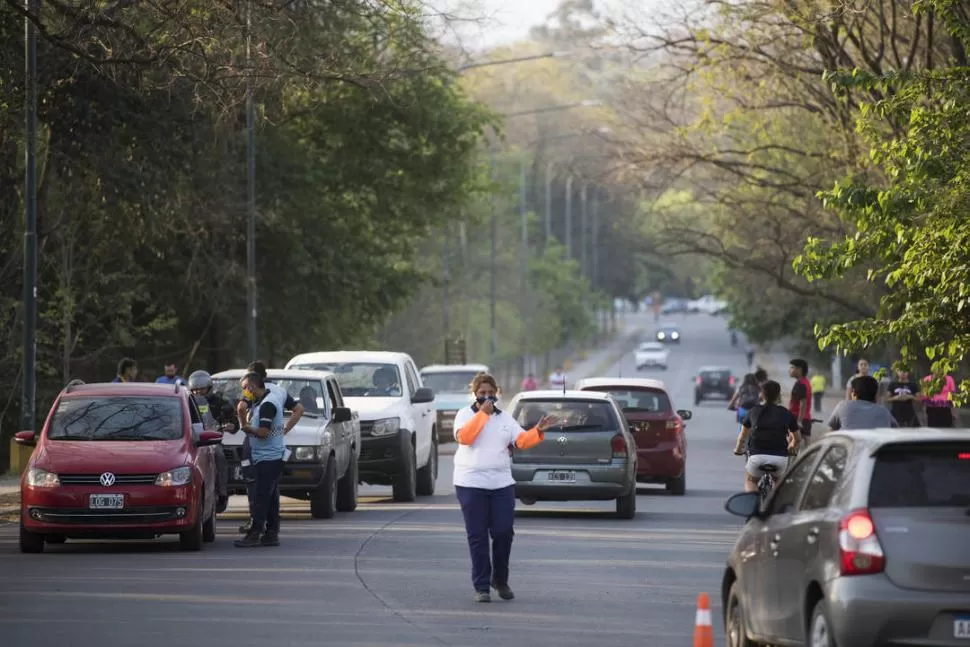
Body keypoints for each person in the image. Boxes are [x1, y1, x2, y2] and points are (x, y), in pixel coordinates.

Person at [452, 373, 559, 603]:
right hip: (471, 483)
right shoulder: (464, 415)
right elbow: (466, 438)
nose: (487, 397)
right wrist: (482, 415)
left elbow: (521, 441)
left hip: (501, 484)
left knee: (503, 532)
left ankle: (499, 580)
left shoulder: (505, 419)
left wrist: (538, 431)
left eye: (491, 392)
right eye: (482, 393)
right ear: (475, 394)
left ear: (497, 392)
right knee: (478, 536)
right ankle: (482, 586)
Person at [235, 361, 304, 534]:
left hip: (260, 445)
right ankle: (271, 529)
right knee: (271, 489)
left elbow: (243, 409)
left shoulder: (260, 398)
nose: (244, 390)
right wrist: (284, 430)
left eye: (246, 385)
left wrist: (244, 423)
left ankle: (256, 524)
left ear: (254, 382)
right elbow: (299, 409)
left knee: (257, 487)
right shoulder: (279, 391)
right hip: (274, 445)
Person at [234, 371, 290, 548]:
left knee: (261, 497)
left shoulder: (268, 404)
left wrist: (246, 427)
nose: (244, 393)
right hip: (268, 456)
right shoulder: (261, 402)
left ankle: (255, 533)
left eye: (244, 389)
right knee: (271, 498)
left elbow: (264, 432)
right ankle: (271, 534)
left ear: (251, 386)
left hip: (269, 458)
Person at [733, 380, 800, 493]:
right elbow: (797, 438)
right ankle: (775, 504)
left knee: (751, 481)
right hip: (779, 459)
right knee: (778, 482)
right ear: (778, 395)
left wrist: (739, 449)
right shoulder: (786, 413)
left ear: (761, 394)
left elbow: (742, 436)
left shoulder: (753, 411)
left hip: (757, 457)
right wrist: (791, 447)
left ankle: (752, 502)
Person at [188, 370, 236, 513]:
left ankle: (222, 493)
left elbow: (233, 421)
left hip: (212, 440)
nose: (198, 392)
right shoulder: (187, 402)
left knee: (219, 456)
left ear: (209, 388)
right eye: (195, 390)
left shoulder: (221, 402)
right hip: (191, 441)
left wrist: (231, 425)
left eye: (201, 389)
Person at [828, 375, 897, 430]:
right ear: (876, 394)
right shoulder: (884, 411)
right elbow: (896, 430)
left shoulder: (843, 406)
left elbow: (831, 430)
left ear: (854, 393)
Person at [788, 359, 814, 442]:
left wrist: (799, 421)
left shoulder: (801, 384)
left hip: (798, 418)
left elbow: (803, 403)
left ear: (799, 369)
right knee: (804, 443)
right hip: (804, 418)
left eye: (792, 368)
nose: (789, 370)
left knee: (792, 444)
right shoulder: (805, 382)